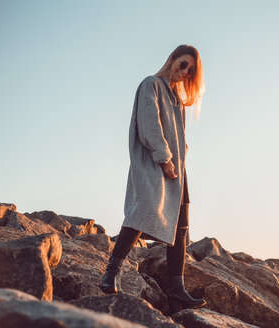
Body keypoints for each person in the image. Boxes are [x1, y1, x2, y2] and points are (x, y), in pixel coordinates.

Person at [101, 45, 206, 312]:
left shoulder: (177, 100)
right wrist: (164, 157)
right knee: (143, 211)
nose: (185, 72)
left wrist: (178, 159)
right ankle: (111, 272)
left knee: (181, 229)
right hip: (155, 163)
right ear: (172, 59)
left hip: (177, 169)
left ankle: (177, 291)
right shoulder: (152, 84)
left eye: (191, 71)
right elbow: (149, 123)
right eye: (183, 65)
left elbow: (179, 135)